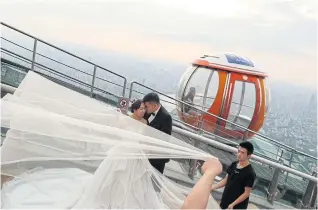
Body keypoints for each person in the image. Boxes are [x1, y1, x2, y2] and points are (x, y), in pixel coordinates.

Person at [211, 141, 256, 209]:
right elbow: (226, 180)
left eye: (242, 152)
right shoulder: (234, 164)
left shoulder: (250, 173)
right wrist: (212, 187)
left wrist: (233, 204)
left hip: (237, 206)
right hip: (225, 202)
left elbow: (246, 194)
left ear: (249, 155)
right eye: (238, 151)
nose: (239, 154)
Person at [143, 92, 172, 174]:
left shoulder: (166, 117)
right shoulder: (147, 112)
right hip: (146, 153)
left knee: (154, 181)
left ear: (154, 106)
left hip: (158, 157)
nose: (145, 108)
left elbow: (165, 138)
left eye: (146, 106)